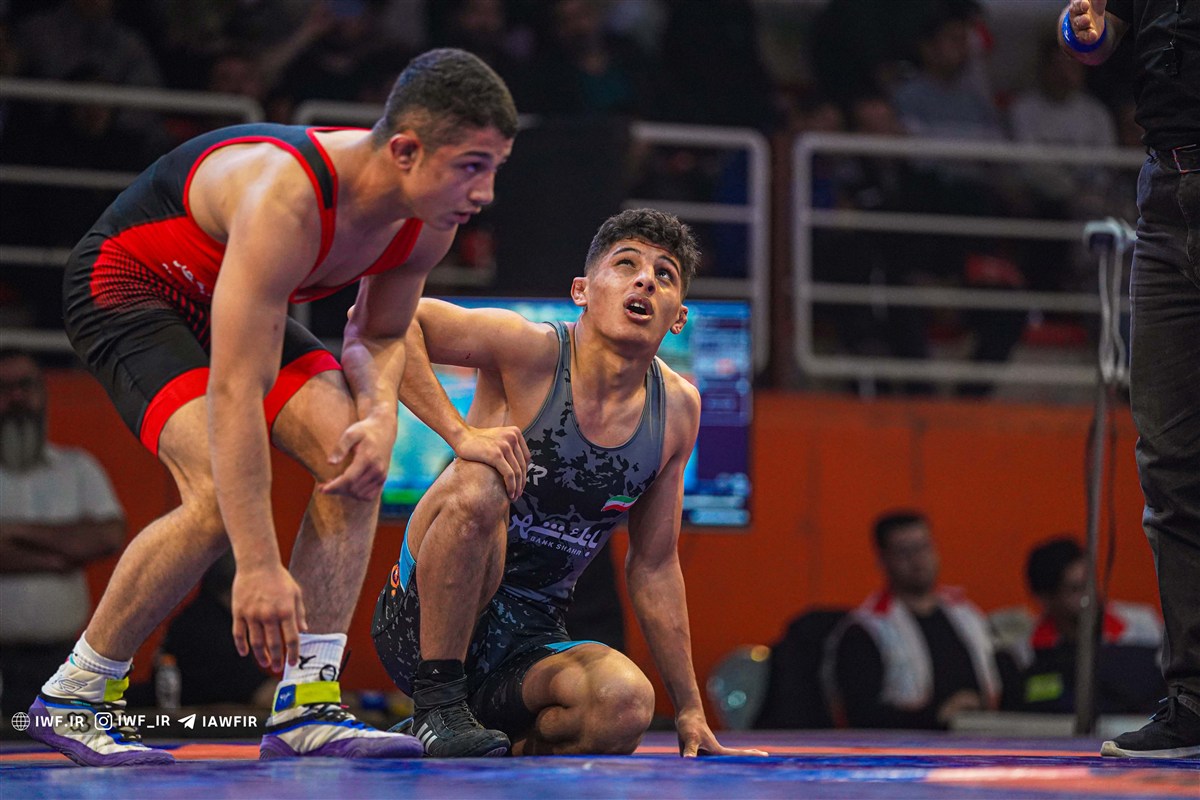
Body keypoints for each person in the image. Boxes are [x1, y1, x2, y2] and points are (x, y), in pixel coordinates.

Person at [27, 48, 521, 767]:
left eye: (495, 167)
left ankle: (307, 704)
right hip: (132, 286)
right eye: (472, 166)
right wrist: (257, 566)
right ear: (406, 151)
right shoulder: (287, 198)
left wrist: (380, 417)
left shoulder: (430, 216)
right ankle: (75, 694)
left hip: (226, 299)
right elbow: (237, 390)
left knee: (352, 455)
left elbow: (382, 333)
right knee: (214, 504)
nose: (486, 192)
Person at [371, 208, 768, 759]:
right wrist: (460, 434)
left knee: (625, 703)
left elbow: (654, 565)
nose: (646, 280)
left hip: (529, 641)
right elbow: (388, 321)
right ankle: (437, 705)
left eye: (665, 275)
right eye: (626, 264)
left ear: (678, 317)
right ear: (581, 291)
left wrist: (690, 709)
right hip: (418, 624)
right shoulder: (527, 348)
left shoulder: (678, 409)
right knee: (483, 479)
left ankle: (481, 742)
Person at [1059, 0, 1200, 759]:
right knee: (1170, 465)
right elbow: (1096, 36)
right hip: (1165, 191)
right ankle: (1194, 701)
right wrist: (1082, 30)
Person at [0, 349, 125, 718]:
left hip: (63, 662)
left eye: (25, 385)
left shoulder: (77, 468)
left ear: (43, 392)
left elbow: (108, 536)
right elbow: (84, 541)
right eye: (3, 388)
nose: (16, 397)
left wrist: (12, 531)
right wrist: (60, 556)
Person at [822, 511, 1001, 729]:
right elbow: (861, 716)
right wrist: (937, 716)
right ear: (882, 560)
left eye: (923, 547)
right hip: (911, 744)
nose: (918, 560)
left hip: (982, 736)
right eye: (904, 552)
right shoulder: (867, 630)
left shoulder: (967, 615)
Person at [1005, 537, 1164, 715]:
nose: (1090, 595)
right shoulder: (1025, 654)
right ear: (1045, 599)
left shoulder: (1142, 627)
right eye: (1076, 589)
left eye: (1091, 582)